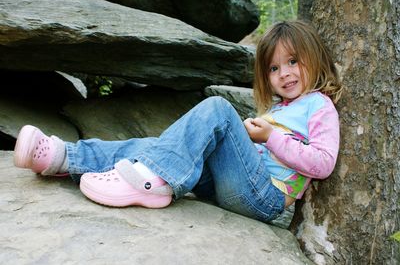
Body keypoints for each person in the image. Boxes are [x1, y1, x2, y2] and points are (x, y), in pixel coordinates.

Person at [13, 20, 343, 224]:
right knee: (151, 147)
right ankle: (64, 157)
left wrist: (269, 136)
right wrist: (254, 136)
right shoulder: (281, 108)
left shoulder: (319, 105)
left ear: (314, 58)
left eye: (293, 62)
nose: (283, 73)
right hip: (229, 185)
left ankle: (151, 183)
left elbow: (324, 163)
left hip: (263, 198)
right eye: (273, 68)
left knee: (218, 109)